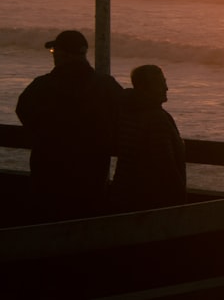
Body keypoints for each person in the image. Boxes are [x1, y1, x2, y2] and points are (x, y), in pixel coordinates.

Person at [15, 30, 123, 221]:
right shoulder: (106, 86)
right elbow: (123, 115)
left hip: (49, 170)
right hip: (92, 171)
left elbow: (23, 110)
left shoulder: (42, 86)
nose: (53, 55)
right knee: (86, 226)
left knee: (49, 226)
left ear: (64, 53)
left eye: (54, 51)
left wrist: (45, 134)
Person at [110, 65, 186, 211]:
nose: (166, 88)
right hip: (151, 200)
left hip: (124, 192)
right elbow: (165, 164)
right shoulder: (156, 118)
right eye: (160, 83)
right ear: (145, 88)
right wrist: (179, 196)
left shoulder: (127, 112)